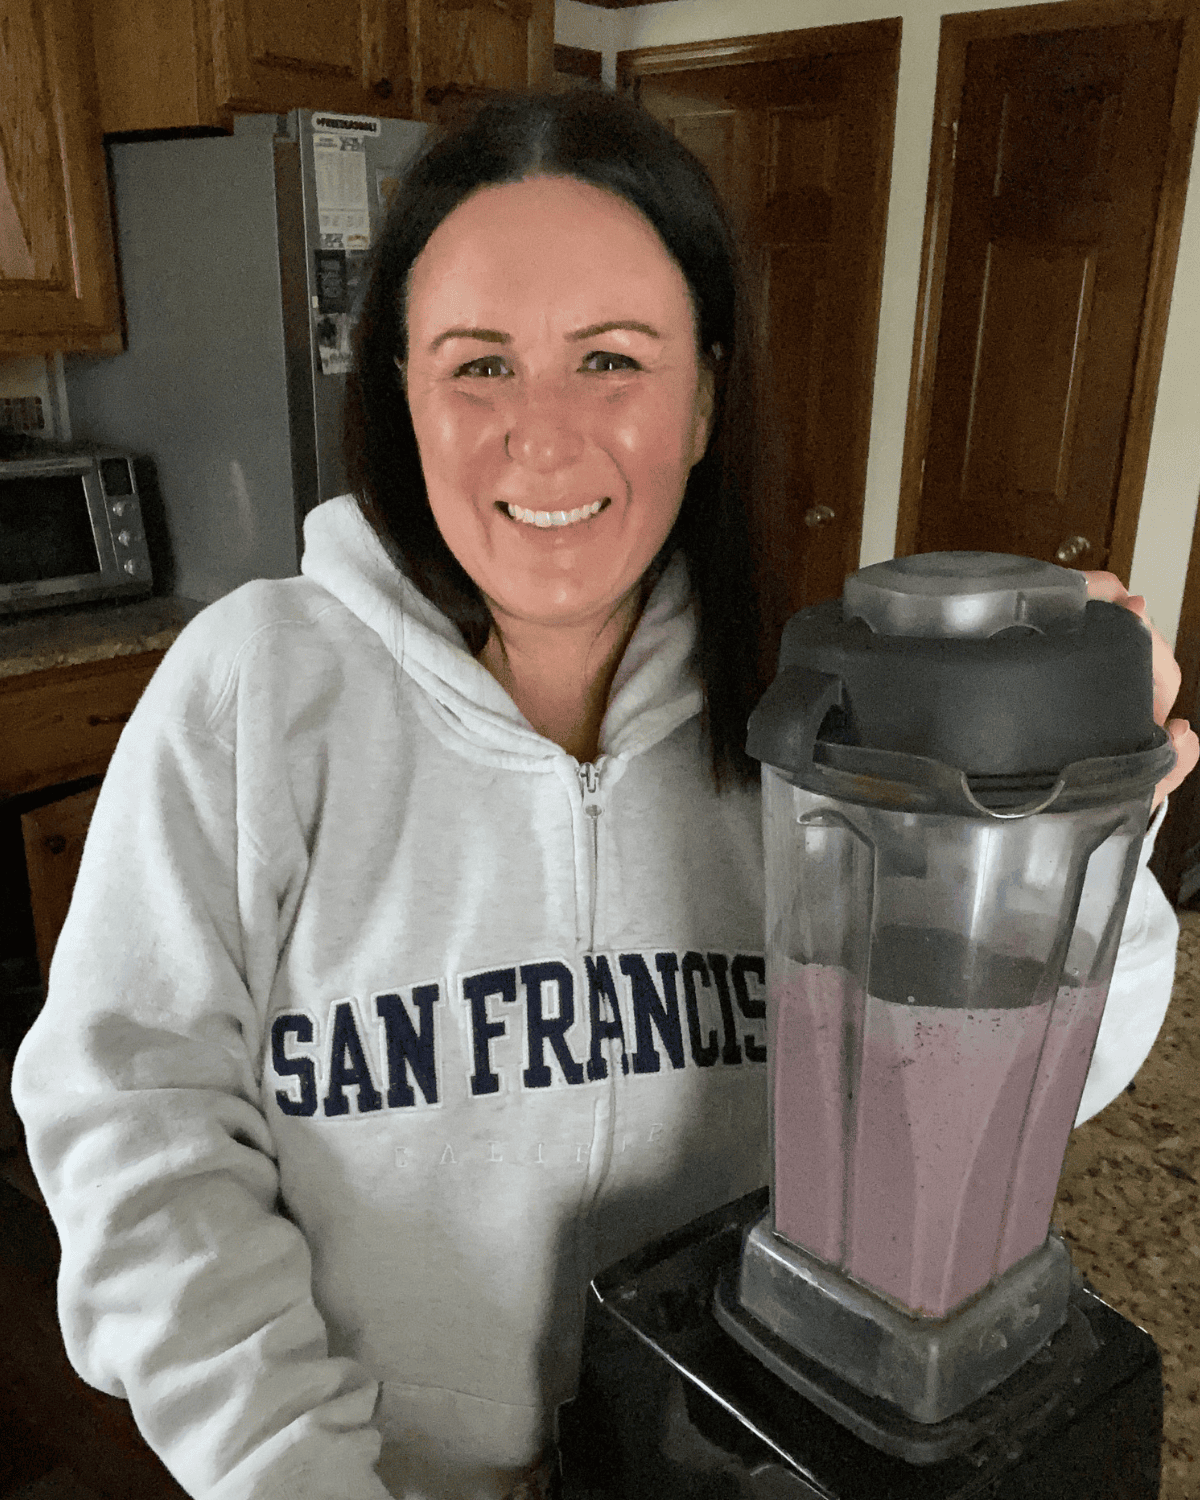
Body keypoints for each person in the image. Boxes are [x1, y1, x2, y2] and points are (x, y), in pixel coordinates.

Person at [11, 89, 1196, 1500]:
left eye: (611, 360)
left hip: (724, 1461)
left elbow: (1040, 1091)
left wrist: (1072, 826)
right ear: (400, 389)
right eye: (481, 366)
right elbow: (135, 1125)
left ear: (704, 395)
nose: (545, 436)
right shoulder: (258, 690)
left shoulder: (829, 720)